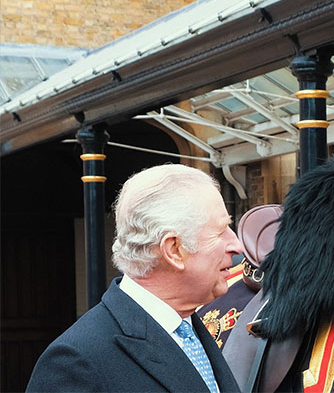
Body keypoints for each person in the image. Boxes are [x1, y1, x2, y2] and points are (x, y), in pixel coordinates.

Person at [26, 164, 244, 392]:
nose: (236, 244)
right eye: (221, 231)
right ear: (174, 250)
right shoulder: (76, 363)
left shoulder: (191, 329)